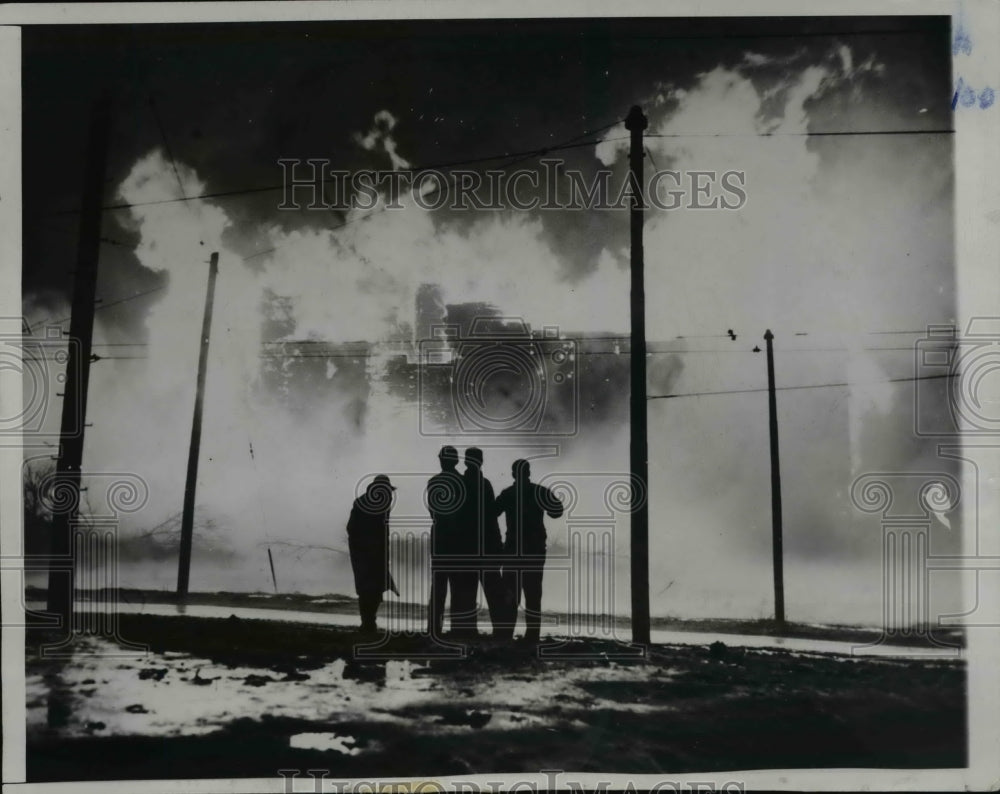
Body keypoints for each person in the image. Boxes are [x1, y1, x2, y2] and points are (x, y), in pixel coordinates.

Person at [496, 459, 564, 642]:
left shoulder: (508, 493)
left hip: (513, 549)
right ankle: (532, 635)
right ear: (528, 473)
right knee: (533, 593)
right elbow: (557, 511)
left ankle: (506, 633)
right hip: (534, 550)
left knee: (511, 593)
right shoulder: (539, 492)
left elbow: (492, 511)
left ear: (513, 474)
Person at [458, 447, 508, 637]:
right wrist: (498, 544)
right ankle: (500, 630)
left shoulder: (461, 483)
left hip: (466, 545)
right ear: (480, 462)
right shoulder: (484, 484)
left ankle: (467, 629)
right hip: (485, 545)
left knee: (467, 590)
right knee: (493, 590)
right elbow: (490, 517)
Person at [346, 474, 399, 633]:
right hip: (373, 552)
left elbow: (351, 528)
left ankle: (367, 622)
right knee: (374, 587)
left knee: (366, 587)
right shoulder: (382, 503)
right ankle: (369, 622)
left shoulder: (361, 502)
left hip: (363, 553)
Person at [425, 446, 463, 636]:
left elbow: (433, 511)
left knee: (438, 585)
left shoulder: (433, 482)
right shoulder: (462, 482)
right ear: (456, 461)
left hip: (439, 536)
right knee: (458, 585)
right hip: (458, 538)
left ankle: (434, 628)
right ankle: (457, 628)